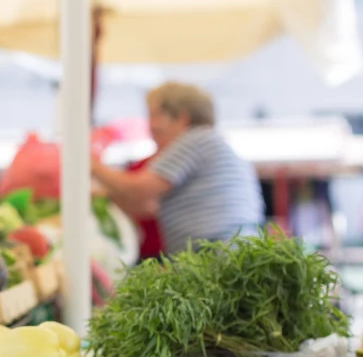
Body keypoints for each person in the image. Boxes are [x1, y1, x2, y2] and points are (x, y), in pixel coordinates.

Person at [90, 82, 264, 254]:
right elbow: (148, 206)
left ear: (182, 118)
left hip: (215, 251)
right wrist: (104, 193)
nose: (151, 126)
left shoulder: (194, 141)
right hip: (230, 249)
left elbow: (138, 189)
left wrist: (90, 165)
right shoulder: (212, 143)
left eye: (155, 115)